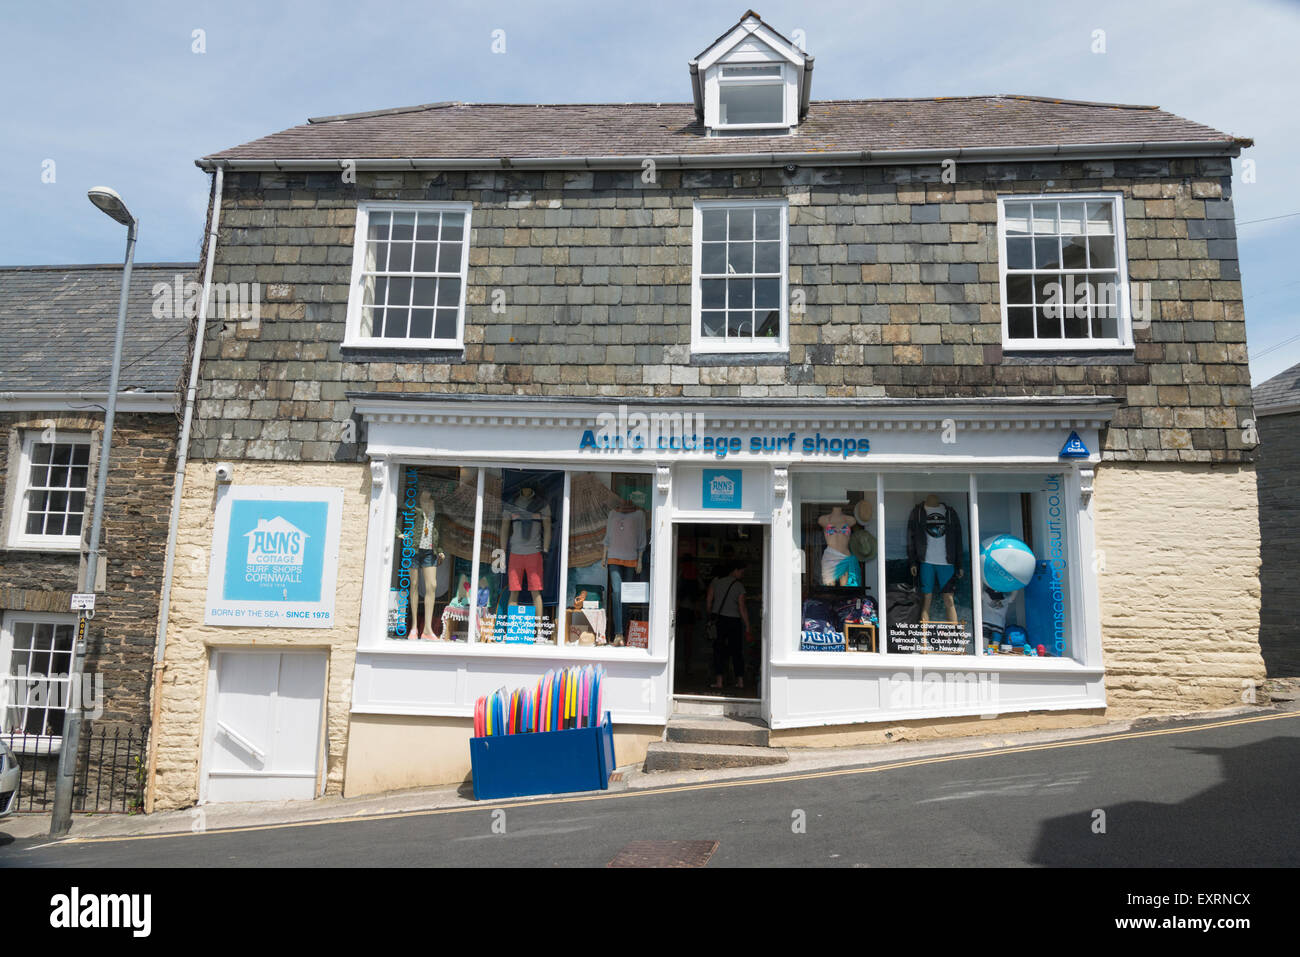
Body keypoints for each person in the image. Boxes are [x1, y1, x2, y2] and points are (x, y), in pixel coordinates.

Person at [706, 561, 751, 690]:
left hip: (718, 620)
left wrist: (710, 616)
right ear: (735, 570)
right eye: (742, 572)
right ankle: (740, 681)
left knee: (718, 650)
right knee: (737, 651)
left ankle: (719, 682)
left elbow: (708, 601)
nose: (743, 574)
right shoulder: (739, 586)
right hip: (734, 621)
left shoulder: (716, 581)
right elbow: (742, 608)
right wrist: (747, 625)